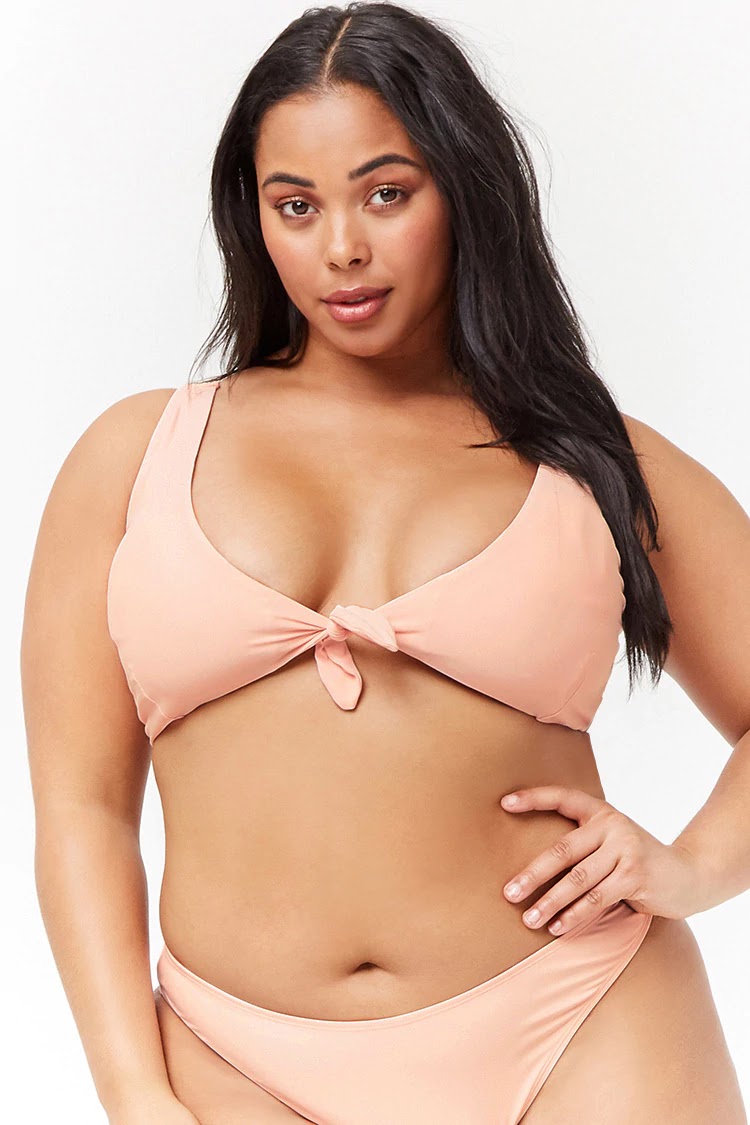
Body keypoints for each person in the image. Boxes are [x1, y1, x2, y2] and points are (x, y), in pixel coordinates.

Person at [21, 3, 749, 1123]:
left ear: (464, 188)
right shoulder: (135, 456)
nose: (342, 249)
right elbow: (81, 807)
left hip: (581, 1020)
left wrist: (693, 867)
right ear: (253, 217)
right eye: (296, 205)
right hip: (235, 1058)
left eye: (387, 193)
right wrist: (132, 1089)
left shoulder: (598, 462)